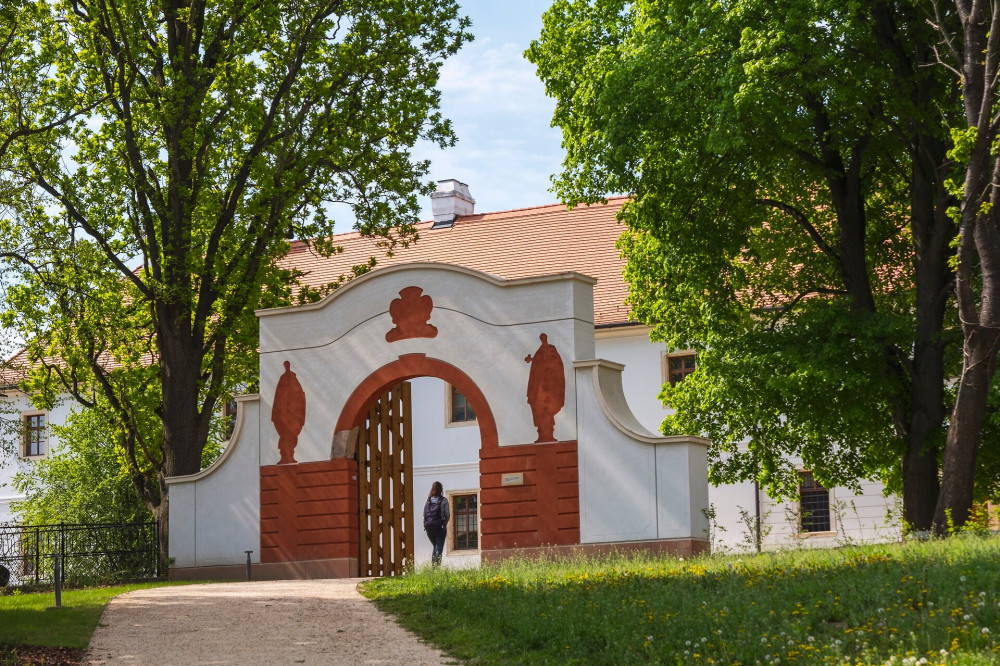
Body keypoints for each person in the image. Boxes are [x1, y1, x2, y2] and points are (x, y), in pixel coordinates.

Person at [423, 481, 450, 566]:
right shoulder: (444, 500)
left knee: (435, 546)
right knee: (439, 547)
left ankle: (433, 566)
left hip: (429, 528)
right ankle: (436, 568)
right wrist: (444, 524)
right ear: (441, 490)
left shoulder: (428, 500)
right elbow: (447, 515)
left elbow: (424, 514)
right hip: (440, 527)